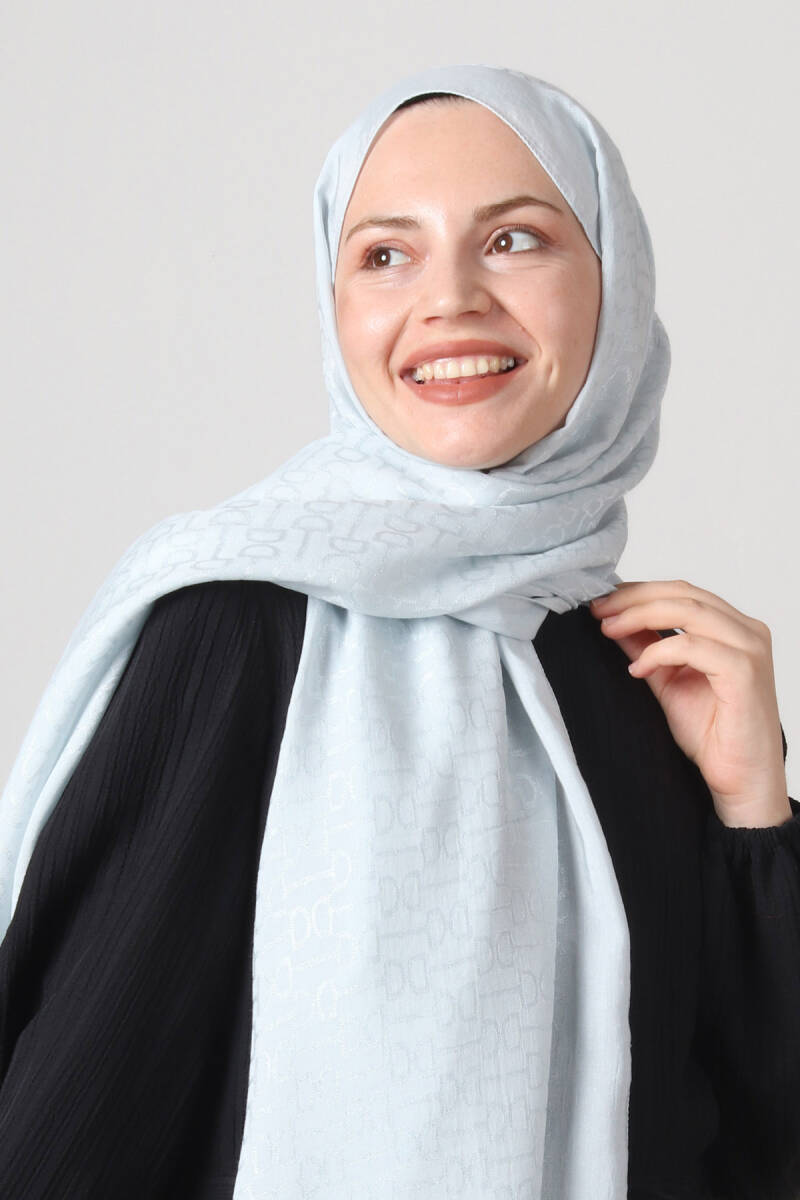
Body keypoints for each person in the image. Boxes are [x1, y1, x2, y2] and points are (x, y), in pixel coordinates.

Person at [0, 63, 798, 1200]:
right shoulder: (234, 628)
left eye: (514, 241)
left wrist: (752, 814)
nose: (449, 299)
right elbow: (75, 1117)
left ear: (615, 283)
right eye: (385, 255)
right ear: (335, 307)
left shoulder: (642, 674)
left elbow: (751, 1142)